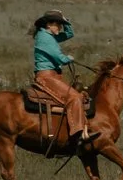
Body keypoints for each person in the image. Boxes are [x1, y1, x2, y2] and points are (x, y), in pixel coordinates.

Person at [29, 11, 95, 149]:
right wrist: (69, 58)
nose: (60, 27)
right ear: (48, 24)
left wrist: (67, 21)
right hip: (47, 77)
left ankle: (81, 131)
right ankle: (78, 135)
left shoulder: (49, 35)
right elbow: (60, 58)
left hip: (54, 75)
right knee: (75, 97)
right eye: (57, 24)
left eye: (61, 24)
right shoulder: (45, 38)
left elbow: (69, 34)